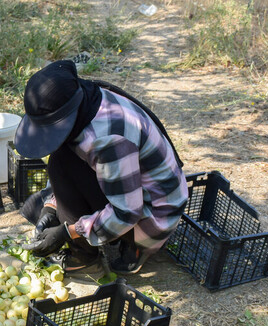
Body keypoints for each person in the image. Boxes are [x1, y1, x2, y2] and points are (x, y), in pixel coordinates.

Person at [16, 60, 188, 274]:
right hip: (133, 187)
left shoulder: (109, 140)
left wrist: (68, 232)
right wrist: (51, 207)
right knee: (60, 158)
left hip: (155, 212)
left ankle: (121, 247)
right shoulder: (87, 99)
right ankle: (90, 240)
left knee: (64, 163)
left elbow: (127, 212)